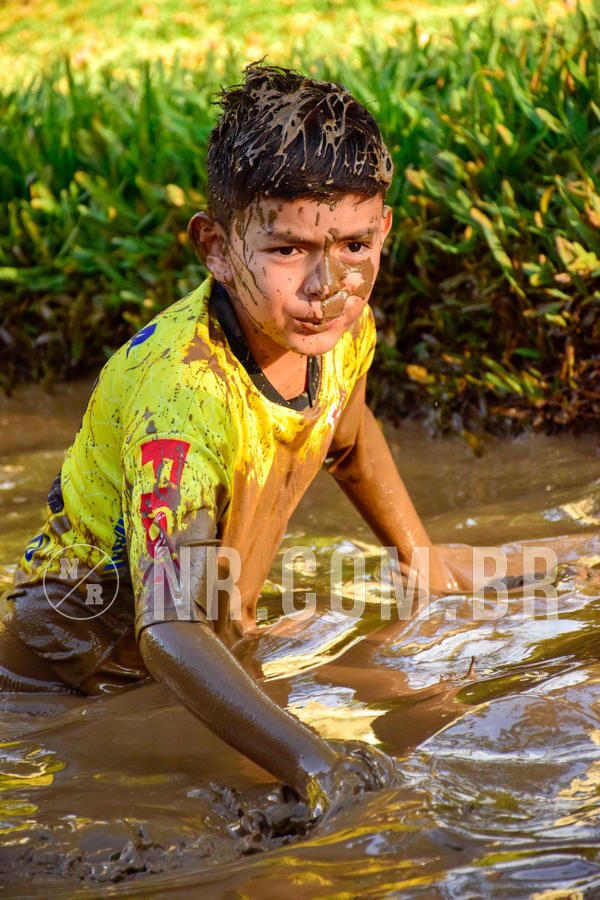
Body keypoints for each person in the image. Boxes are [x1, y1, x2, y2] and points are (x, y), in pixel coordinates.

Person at [0, 63, 466, 818]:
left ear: (382, 230)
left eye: (352, 246)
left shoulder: (339, 326)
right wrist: (317, 761)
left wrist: (426, 566)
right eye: (287, 251)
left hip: (193, 643)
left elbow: (343, 430)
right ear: (215, 247)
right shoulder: (184, 399)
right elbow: (171, 632)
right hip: (67, 686)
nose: (327, 284)